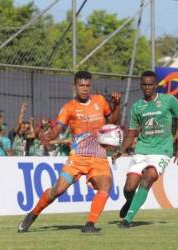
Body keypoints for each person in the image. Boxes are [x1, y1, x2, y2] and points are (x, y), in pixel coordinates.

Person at [18, 70, 121, 233]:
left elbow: (113, 120)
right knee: (58, 190)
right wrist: (47, 136)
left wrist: (117, 105)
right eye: (81, 85)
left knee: (105, 185)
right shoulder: (69, 108)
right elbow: (57, 128)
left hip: (99, 157)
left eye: (87, 85)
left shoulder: (100, 101)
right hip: (78, 158)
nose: (85, 89)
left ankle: (90, 224)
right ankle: (33, 214)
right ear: (74, 86)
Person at [113, 70, 178, 228]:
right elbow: (132, 133)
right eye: (144, 85)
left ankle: (127, 220)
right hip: (141, 150)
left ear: (156, 85)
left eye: (150, 85)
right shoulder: (137, 107)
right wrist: (123, 149)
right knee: (129, 187)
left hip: (162, 151)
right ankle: (130, 202)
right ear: (141, 85)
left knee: (149, 176)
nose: (147, 87)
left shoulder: (168, 100)